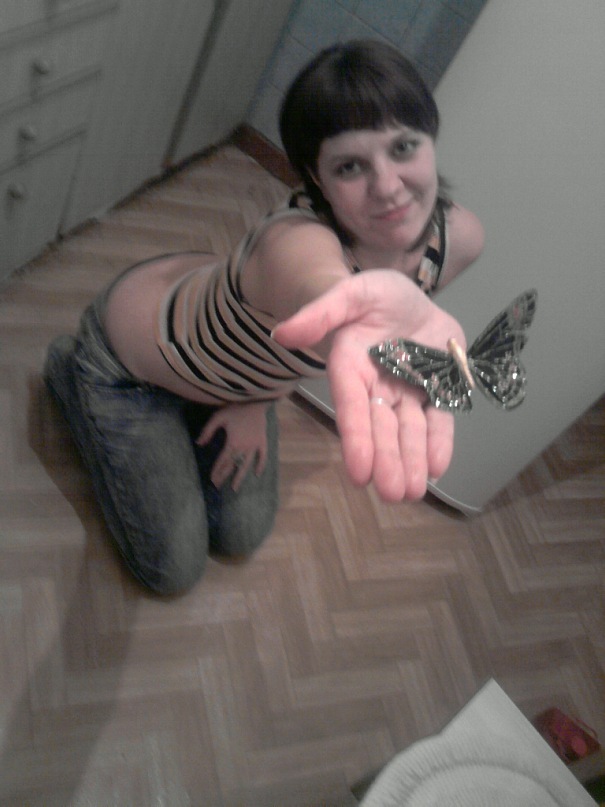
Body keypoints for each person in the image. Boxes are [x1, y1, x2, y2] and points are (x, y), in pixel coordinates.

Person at [43, 40, 484, 595]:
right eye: (350, 166)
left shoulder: (458, 239)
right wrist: (359, 328)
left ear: (430, 139)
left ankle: (194, 410)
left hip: (226, 364)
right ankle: (71, 370)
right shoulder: (293, 244)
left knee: (240, 533)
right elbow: (322, 292)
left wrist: (256, 400)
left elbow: (309, 345)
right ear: (317, 179)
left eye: (403, 147)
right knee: (172, 570)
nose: (388, 186)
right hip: (133, 364)